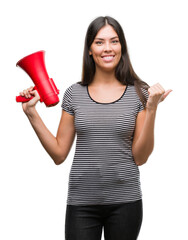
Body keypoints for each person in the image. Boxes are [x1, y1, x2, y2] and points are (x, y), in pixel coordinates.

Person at [19, 16, 172, 240]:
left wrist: (152, 109)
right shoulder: (74, 94)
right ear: (90, 49)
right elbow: (59, 153)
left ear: (122, 47)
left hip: (126, 202)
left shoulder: (140, 92)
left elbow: (140, 157)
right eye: (99, 42)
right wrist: (31, 113)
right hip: (81, 203)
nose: (107, 48)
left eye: (114, 41)